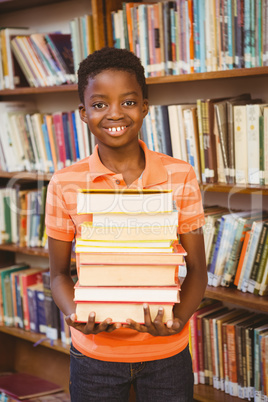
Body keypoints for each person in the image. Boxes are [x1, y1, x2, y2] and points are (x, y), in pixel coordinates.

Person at [45, 46, 207, 402]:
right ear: (83, 113)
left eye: (129, 102)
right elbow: (58, 274)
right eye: (100, 104)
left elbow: (197, 270)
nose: (115, 113)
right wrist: (76, 314)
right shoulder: (64, 182)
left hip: (167, 353)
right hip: (94, 356)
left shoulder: (180, 175)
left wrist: (177, 320)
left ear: (145, 107)